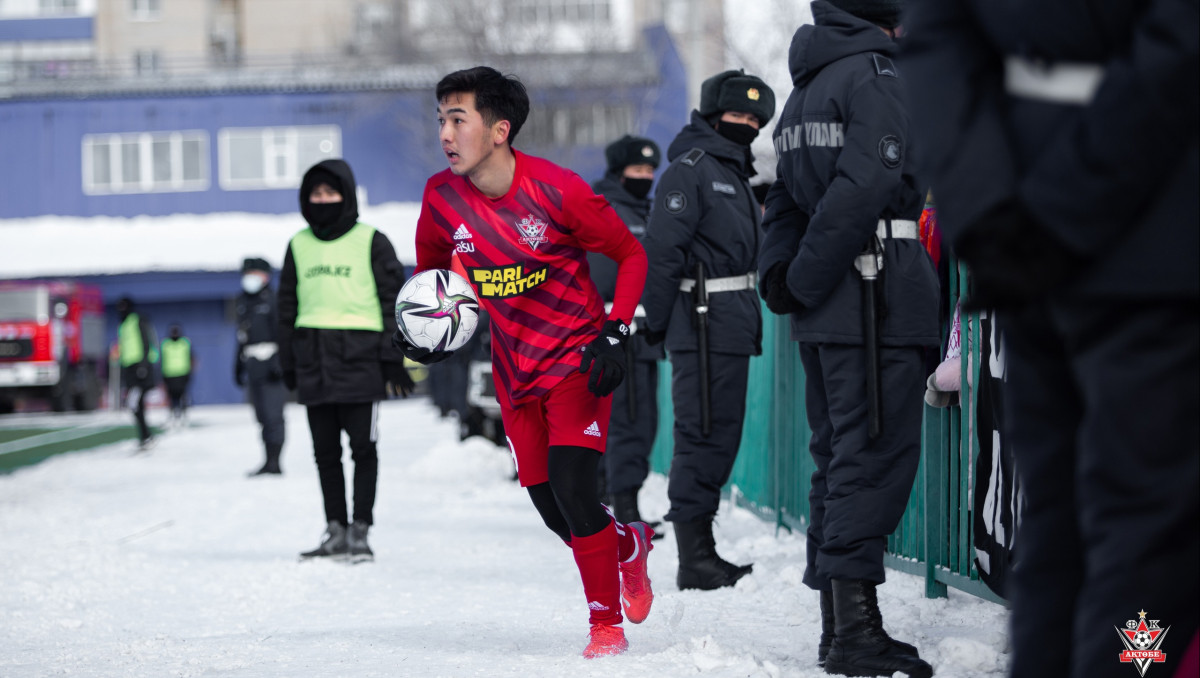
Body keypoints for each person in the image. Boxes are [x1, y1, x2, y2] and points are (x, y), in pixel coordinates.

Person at [902, 0, 1199, 675]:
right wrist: (1054, 209)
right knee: (1139, 528)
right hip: (1146, 231)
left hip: (1024, 234)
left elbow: (936, 48)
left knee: (1056, 521)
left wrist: (990, 210)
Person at [398, 66, 654, 659]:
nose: (445, 132)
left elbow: (631, 253)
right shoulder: (441, 198)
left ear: (499, 129)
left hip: (575, 363)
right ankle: (627, 546)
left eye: (458, 118)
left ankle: (604, 626)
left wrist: (616, 332)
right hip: (514, 371)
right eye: (441, 119)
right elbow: (432, 279)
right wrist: (419, 330)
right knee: (551, 509)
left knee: (572, 485)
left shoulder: (559, 190)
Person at [757, 2, 939, 675]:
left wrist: (784, 271)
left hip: (836, 302)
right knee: (872, 457)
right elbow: (867, 184)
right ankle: (855, 629)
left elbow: (783, 199)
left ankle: (841, 628)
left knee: (839, 459)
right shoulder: (875, 76)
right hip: (874, 297)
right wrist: (800, 276)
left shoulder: (807, 88)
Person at [639, 68, 774, 591]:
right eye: (737, 115)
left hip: (732, 322)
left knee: (722, 436)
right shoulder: (690, 170)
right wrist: (652, 316)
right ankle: (693, 557)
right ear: (712, 115)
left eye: (754, 119)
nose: (746, 124)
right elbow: (664, 249)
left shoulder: (737, 175)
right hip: (698, 322)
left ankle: (704, 548)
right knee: (700, 435)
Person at [278, 158, 415, 563]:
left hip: (361, 361)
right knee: (324, 453)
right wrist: (288, 361)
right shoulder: (298, 244)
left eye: (330, 193)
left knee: (363, 450)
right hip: (312, 360)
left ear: (347, 195)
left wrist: (394, 359)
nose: (323, 200)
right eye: (315, 194)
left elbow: (394, 301)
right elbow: (286, 307)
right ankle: (335, 529)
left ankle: (361, 530)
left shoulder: (372, 240)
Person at [586, 134, 664, 532]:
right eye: (637, 170)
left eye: (651, 170)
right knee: (627, 423)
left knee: (641, 422)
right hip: (619, 335)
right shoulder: (608, 210)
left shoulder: (642, 211)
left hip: (642, 334)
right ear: (619, 172)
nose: (646, 176)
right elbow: (603, 277)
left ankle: (611, 503)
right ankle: (622, 508)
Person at [235, 257, 287, 477]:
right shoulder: (244, 302)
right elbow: (241, 337)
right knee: (261, 415)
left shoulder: (274, 300)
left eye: (255, 273)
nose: (250, 278)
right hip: (253, 364)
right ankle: (267, 460)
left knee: (273, 414)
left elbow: (283, 333)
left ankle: (275, 462)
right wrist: (237, 364)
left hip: (271, 363)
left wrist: (279, 363)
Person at [115, 296, 159, 451]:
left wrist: (144, 366)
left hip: (141, 370)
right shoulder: (122, 325)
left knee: (134, 403)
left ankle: (146, 436)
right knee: (135, 405)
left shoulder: (138, 320)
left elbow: (146, 342)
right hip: (130, 370)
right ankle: (146, 436)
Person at [159, 324, 193, 426]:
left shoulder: (185, 343)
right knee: (172, 396)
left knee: (182, 395)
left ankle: (183, 414)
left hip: (182, 373)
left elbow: (190, 357)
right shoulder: (165, 344)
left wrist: (189, 372)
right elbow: (162, 359)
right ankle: (173, 414)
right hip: (169, 374)